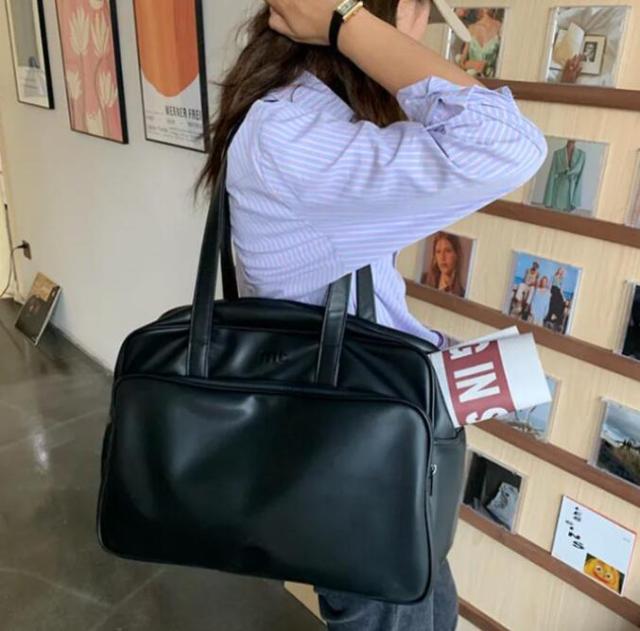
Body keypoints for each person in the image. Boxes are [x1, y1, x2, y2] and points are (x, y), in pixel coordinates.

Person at [197, 1, 548, 629]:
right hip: (358, 475)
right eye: (414, 17)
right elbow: (508, 144)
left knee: (430, 607)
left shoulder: (303, 117)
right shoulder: (293, 133)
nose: (415, 38)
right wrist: (346, 24)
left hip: (360, 453)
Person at [455, 8, 503, 78]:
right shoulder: (471, 28)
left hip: (492, 80)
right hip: (472, 79)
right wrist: (474, 64)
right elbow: (461, 63)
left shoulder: (500, 28)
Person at [421, 232, 466, 297]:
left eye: (448, 251)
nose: (442, 258)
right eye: (438, 252)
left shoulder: (462, 295)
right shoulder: (423, 280)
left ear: (457, 255)